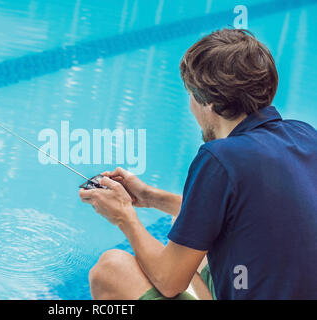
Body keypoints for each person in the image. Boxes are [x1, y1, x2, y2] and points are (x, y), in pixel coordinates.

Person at [79, 28, 317, 300]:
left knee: (111, 268)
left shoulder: (220, 157)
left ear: (210, 103)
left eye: (191, 95)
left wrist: (124, 215)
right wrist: (150, 197)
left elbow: (170, 282)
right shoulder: (305, 135)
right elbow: (235, 213)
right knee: (184, 222)